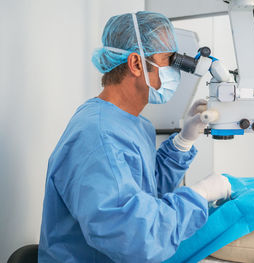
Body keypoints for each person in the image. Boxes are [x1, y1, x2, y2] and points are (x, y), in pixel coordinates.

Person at [38, 11, 231, 263]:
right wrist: (199, 194)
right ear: (136, 63)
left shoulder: (132, 124)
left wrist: (183, 142)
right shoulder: (99, 136)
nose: (175, 72)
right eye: (168, 61)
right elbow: (135, 239)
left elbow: (144, 194)